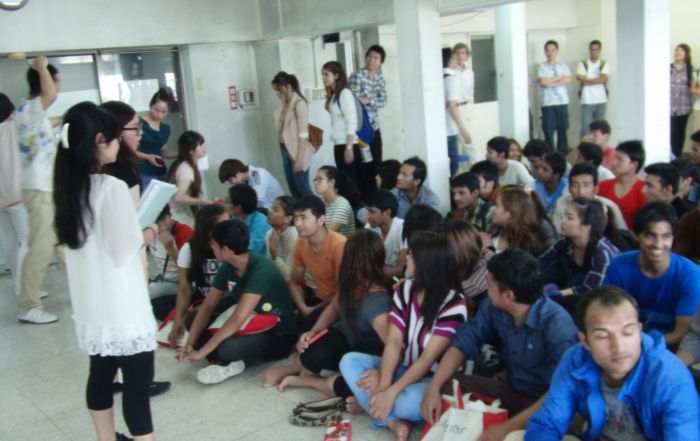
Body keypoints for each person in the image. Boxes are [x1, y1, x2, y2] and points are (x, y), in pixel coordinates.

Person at [54, 102, 156, 441]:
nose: (119, 143)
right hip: (122, 304)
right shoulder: (109, 187)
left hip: (92, 304)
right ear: (100, 140)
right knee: (137, 386)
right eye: (115, 137)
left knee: (100, 374)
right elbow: (125, 247)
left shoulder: (67, 188)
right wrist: (149, 231)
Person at [421, 249, 578, 440]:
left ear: (509, 296)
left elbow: (560, 394)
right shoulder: (494, 306)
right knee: (448, 385)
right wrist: (433, 388)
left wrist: (505, 428)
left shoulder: (558, 325)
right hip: (513, 390)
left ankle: (507, 427)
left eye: (489, 285)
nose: (486, 290)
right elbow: (464, 341)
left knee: (561, 423)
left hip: (547, 402)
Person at [525, 286, 699, 440]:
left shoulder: (670, 377)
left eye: (628, 332)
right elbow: (546, 425)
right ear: (585, 341)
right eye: (602, 336)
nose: (619, 347)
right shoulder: (574, 360)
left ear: (639, 330)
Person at [340, 231, 467, 440]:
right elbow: (393, 341)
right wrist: (383, 385)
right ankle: (392, 421)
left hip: (434, 379)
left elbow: (427, 359)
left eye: (411, 254)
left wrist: (390, 393)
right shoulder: (405, 289)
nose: (406, 258)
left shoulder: (454, 304)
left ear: (425, 264)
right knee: (349, 361)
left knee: (404, 403)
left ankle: (380, 409)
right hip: (405, 367)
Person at [274, 229, 392, 401]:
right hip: (347, 340)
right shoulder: (351, 281)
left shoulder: (377, 304)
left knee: (352, 386)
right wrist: (313, 332)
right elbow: (334, 308)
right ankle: (304, 370)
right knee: (309, 353)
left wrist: (380, 372)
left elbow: (395, 348)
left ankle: (310, 381)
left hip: (369, 354)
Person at [177, 220, 298, 385]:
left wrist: (202, 351)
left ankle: (227, 358)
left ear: (225, 250)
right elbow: (207, 306)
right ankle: (224, 357)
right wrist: (189, 345)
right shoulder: (228, 266)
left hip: (277, 332)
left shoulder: (262, 269)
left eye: (214, 245)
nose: (211, 248)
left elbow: (238, 319)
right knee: (191, 319)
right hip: (248, 322)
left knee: (228, 347)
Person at [262, 196, 347, 388]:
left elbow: (344, 292)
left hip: (341, 306)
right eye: (296, 218)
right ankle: (303, 364)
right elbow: (295, 281)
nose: (298, 223)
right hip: (317, 301)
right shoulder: (302, 243)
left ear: (320, 219)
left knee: (311, 342)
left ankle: (297, 368)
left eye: (304, 218)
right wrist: (303, 307)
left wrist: (315, 309)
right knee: (294, 331)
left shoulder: (339, 245)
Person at [604, 202, 700, 347]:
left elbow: (682, 332)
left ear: (674, 237)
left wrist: (643, 345)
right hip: (624, 343)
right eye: (650, 235)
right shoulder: (618, 266)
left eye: (666, 236)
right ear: (636, 235)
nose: (658, 244)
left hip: (668, 348)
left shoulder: (690, 274)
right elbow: (610, 317)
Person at [16, 56, 60, 324]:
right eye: (56, 81)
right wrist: (42, 67)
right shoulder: (32, 107)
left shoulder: (28, 109)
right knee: (41, 248)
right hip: (40, 189)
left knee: (65, 241)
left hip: (43, 187)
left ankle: (85, 288)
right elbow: (51, 95)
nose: (58, 87)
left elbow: (46, 121)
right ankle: (28, 305)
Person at [540, 197, 620, 312]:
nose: (563, 221)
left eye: (569, 217)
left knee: (577, 281)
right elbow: (541, 262)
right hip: (571, 287)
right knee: (547, 273)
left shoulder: (601, 252)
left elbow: (590, 290)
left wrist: (554, 293)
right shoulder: (566, 242)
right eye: (564, 216)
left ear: (587, 226)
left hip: (604, 302)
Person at [164, 205, 229, 345]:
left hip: (226, 301)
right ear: (210, 230)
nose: (230, 226)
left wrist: (206, 306)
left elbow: (234, 289)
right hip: (202, 300)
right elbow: (184, 288)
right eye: (225, 223)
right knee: (164, 306)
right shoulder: (189, 249)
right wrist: (177, 321)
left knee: (194, 319)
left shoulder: (231, 245)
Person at [323, 61, 366, 195]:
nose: (323, 78)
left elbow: (351, 122)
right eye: (323, 75)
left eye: (326, 74)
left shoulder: (345, 93)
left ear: (336, 75)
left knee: (350, 184)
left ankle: (353, 207)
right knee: (344, 183)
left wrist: (349, 148)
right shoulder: (334, 94)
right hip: (339, 143)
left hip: (347, 144)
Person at [0, 93, 28, 297]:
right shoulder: (11, 128)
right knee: (26, 242)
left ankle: (20, 286)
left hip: (1, 199)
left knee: (11, 242)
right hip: (16, 194)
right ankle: (26, 289)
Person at [349, 44, 388, 189]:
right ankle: (366, 195)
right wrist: (368, 100)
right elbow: (353, 100)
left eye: (376, 58)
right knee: (364, 165)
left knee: (377, 163)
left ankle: (376, 193)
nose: (371, 60)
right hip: (361, 129)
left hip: (374, 126)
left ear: (381, 62)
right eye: (369, 56)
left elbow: (383, 101)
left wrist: (369, 100)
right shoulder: (357, 76)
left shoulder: (380, 79)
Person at [272, 71, 314, 198]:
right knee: (293, 188)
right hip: (285, 150)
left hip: (298, 151)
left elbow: (303, 134)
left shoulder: (299, 103)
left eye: (279, 89)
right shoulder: (285, 104)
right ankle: (301, 210)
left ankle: (316, 209)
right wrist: (283, 102)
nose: (277, 93)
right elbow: (277, 122)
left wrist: (299, 158)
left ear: (288, 87)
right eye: (276, 90)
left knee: (303, 188)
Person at [552, 162, 627, 233]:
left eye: (586, 185)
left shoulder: (609, 206)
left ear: (596, 188)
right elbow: (558, 233)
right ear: (569, 188)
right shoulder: (562, 203)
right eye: (575, 185)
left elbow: (623, 234)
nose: (581, 191)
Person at [482, 186, 551, 256]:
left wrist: (488, 250)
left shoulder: (527, 247)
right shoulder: (494, 232)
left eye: (497, 206)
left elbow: (505, 263)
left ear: (510, 213)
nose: (494, 210)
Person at [146, 205, 193, 302]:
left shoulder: (184, 232)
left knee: (146, 294)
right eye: (156, 222)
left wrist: (170, 247)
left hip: (182, 282)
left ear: (170, 215)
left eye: (163, 219)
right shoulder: (149, 232)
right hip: (162, 278)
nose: (161, 225)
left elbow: (190, 271)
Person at [597, 140, 647, 229]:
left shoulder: (644, 189)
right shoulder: (603, 185)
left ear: (634, 165)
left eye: (620, 159)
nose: (614, 163)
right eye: (615, 158)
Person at [166, 130, 211, 228]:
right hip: (176, 215)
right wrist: (203, 201)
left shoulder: (185, 164)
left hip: (179, 212)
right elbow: (179, 197)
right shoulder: (186, 168)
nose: (204, 147)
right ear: (191, 151)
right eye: (200, 145)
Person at [102, 101, 144, 204]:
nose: (140, 132)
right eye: (135, 127)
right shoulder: (124, 173)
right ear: (117, 132)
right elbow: (133, 212)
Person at [537, 40, 572, 154]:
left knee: (563, 130)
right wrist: (559, 78)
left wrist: (550, 83)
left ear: (557, 51)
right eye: (548, 50)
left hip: (562, 102)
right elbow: (543, 82)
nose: (550, 53)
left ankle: (563, 154)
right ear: (545, 52)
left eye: (552, 50)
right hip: (548, 103)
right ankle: (550, 154)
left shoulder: (563, 66)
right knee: (548, 131)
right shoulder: (541, 66)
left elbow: (568, 79)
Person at [137, 88, 175, 188]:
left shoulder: (165, 129)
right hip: (144, 172)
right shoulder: (139, 124)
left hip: (161, 172)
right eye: (156, 110)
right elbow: (129, 150)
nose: (159, 114)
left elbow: (162, 152)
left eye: (163, 112)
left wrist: (179, 154)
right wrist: (146, 156)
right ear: (151, 105)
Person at [443, 47, 471, 176]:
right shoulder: (451, 78)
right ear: (450, 60)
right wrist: (463, 129)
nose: (458, 59)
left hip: (439, 128)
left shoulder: (438, 76)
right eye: (455, 57)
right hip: (449, 127)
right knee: (453, 163)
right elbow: (452, 106)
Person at [365, 190, 404, 277]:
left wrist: (372, 276)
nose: (367, 216)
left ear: (387, 213)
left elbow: (400, 269)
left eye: (372, 211)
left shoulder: (402, 229)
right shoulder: (369, 227)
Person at [218, 159, 284, 210]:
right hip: (264, 208)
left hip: (274, 209)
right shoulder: (245, 180)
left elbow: (257, 201)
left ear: (237, 173)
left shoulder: (256, 174)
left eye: (230, 180)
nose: (231, 183)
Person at [576, 40, 610, 138]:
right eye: (592, 49)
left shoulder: (604, 63)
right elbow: (580, 78)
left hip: (601, 100)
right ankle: (584, 146)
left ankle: (598, 146)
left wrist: (587, 81)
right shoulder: (583, 63)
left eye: (596, 49)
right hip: (587, 100)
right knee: (586, 128)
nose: (593, 52)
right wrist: (597, 80)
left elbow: (603, 79)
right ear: (589, 50)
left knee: (600, 129)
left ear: (600, 50)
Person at [227, 183, 270, 256]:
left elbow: (250, 250)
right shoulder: (233, 218)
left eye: (228, 201)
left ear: (238, 208)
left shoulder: (261, 223)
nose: (225, 204)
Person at [314, 166, 357, 237]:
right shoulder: (319, 203)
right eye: (315, 179)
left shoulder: (342, 205)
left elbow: (328, 234)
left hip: (341, 243)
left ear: (331, 182)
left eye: (319, 179)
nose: (316, 182)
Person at [265, 195, 298, 280]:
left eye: (275, 210)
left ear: (287, 218)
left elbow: (289, 276)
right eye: (271, 208)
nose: (269, 212)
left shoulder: (295, 237)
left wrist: (274, 253)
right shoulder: (270, 234)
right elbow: (269, 268)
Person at [670, 44, 693, 158]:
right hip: (669, 106)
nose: (677, 53)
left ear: (686, 54)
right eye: (676, 51)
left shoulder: (690, 69)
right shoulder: (669, 68)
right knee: (672, 131)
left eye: (681, 51)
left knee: (680, 132)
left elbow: (693, 87)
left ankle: (677, 156)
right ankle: (672, 155)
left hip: (684, 106)